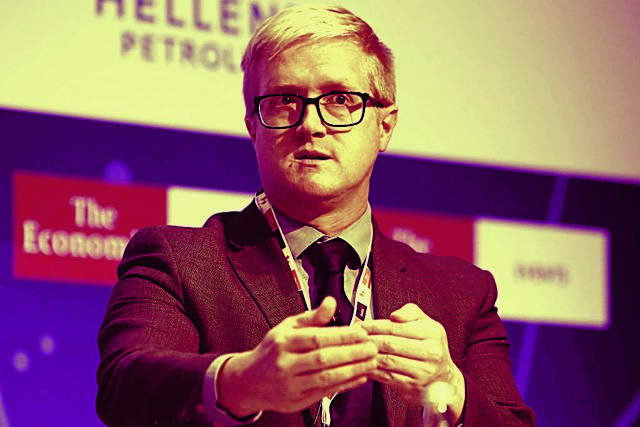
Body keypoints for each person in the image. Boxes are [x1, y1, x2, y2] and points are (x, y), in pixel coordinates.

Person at [96, 4, 535, 426]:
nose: (310, 124)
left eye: (340, 99)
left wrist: (452, 390)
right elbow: (124, 388)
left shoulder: (463, 294)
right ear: (252, 125)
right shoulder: (178, 260)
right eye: (285, 99)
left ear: (384, 126)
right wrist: (242, 382)